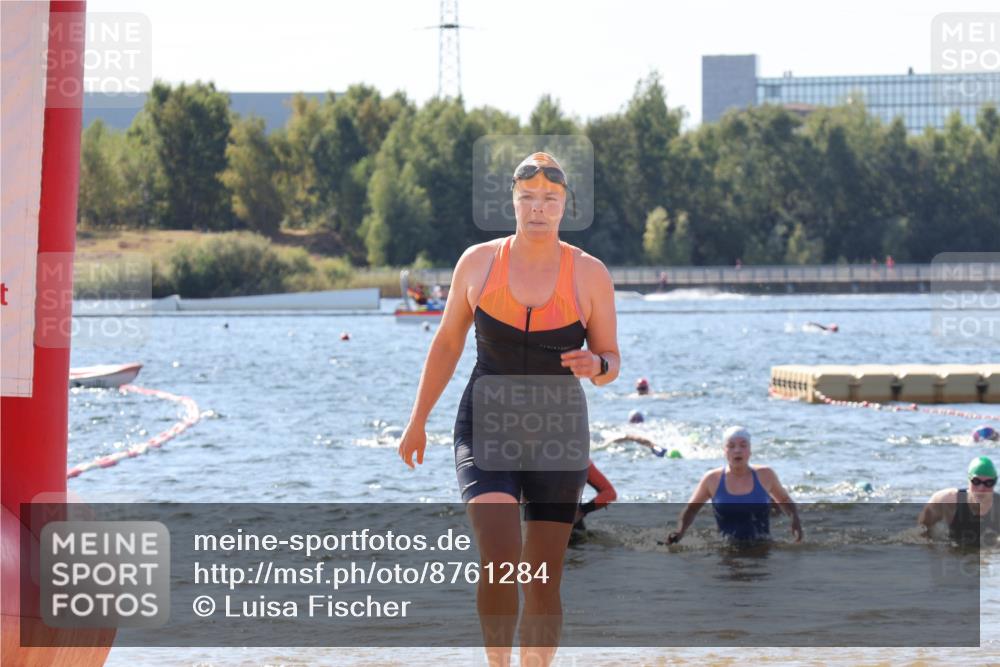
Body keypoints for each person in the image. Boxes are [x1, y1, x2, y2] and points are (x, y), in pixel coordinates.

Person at [397, 151, 620, 667]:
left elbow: (611, 360)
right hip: (486, 425)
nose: (537, 208)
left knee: (543, 580)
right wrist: (417, 421)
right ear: (513, 203)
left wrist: (597, 365)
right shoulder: (478, 263)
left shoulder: (589, 274)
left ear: (564, 205)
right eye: (527, 198)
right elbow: (448, 343)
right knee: (498, 561)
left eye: (549, 199)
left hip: (559, 433)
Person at [667, 426, 802, 544]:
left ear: (750, 450)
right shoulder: (712, 479)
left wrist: (795, 521)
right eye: (731, 446)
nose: (737, 450)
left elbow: (784, 500)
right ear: (724, 451)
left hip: (762, 549)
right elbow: (691, 509)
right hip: (726, 551)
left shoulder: (765, 475)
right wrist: (680, 531)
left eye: (743, 445)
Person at [918, 456, 999, 547]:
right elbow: (920, 530)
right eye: (976, 481)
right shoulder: (946, 500)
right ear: (968, 479)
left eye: (988, 483)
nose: (981, 488)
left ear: (995, 482)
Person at [571, 460, 617, 540]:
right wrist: (583, 510)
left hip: (570, 532)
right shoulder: (578, 459)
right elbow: (610, 493)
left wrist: (582, 510)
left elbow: (610, 493)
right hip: (572, 532)